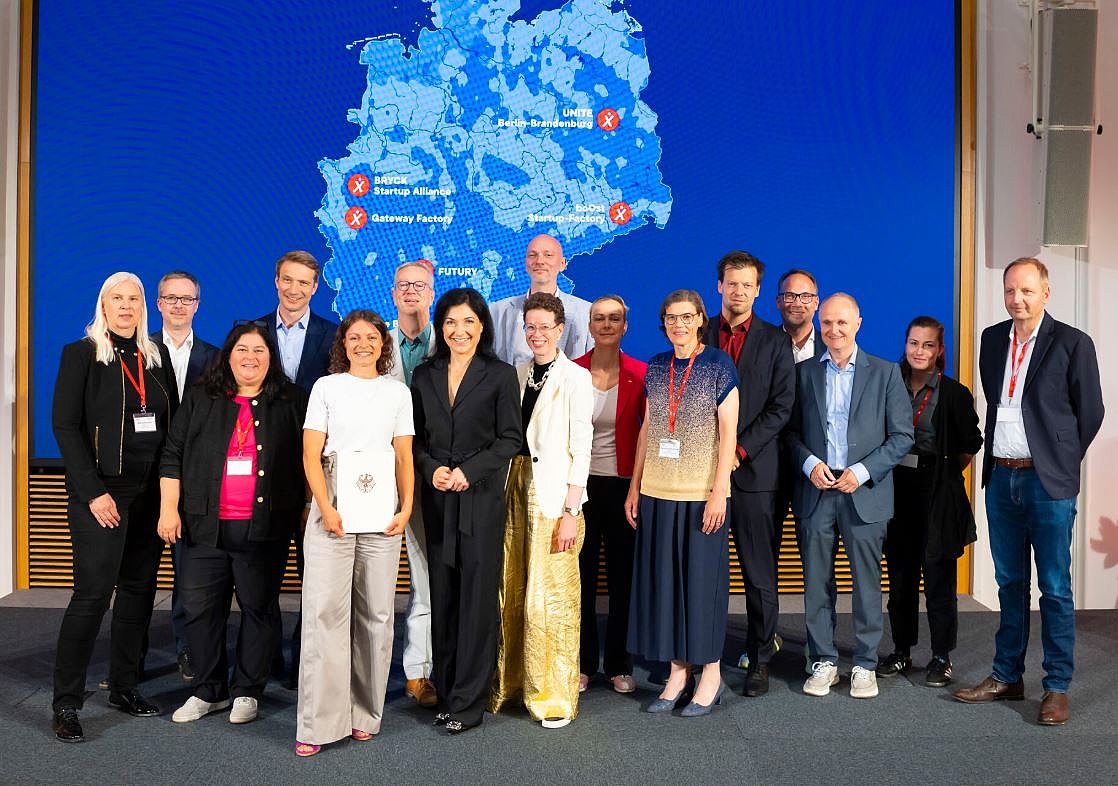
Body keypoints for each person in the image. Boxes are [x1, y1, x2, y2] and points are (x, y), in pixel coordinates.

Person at [953, 257, 1104, 726]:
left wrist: (1059, 461)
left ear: (1046, 293)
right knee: (1010, 584)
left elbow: (1091, 412)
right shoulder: (992, 339)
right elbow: (998, 404)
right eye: (1010, 291)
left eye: (1027, 291)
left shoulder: (1073, 343)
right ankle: (1006, 675)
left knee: (1055, 587)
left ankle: (1056, 686)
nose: (1017, 299)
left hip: (1047, 481)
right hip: (1001, 478)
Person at [157, 323, 307, 726]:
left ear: (270, 358)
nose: (250, 357)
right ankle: (208, 691)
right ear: (228, 354)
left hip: (265, 529)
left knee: (259, 609)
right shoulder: (202, 398)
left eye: (260, 350)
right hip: (204, 526)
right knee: (200, 610)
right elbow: (172, 453)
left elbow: (309, 460)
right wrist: (169, 509)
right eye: (242, 349)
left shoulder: (291, 400)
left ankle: (247, 690)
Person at [50, 272, 178, 743]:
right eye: (116, 298)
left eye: (134, 298)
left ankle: (124, 687)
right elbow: (64, 427)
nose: (126, 306)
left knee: (138, 594)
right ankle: (66, 703)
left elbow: (170, 428)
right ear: (102, 304)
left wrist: (169, 497)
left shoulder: (155, 356)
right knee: (91, 597)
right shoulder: (81, 355)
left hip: (148, 496)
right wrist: (92, 491)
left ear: (143, 306)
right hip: (102, 496)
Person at [295, 310, 415, 756]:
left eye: (371, 337)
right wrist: (326, 508)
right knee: (325, 614)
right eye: (354, 337)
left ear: (383, 344)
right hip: (334, 511)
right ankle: (319, 724)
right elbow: (310, 456)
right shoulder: (326, 388)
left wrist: (406, 509)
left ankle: (365, 713)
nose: (363, 344)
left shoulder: (398, 393)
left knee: (377, 618)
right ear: (342, 344)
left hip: (383, 515)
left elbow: (403, 457)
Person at [787, 293, 913, 700]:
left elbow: (901, 438)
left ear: (858, 323)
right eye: (827, 323)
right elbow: (787, 433)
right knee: (817, 583)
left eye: (842, 323)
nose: (834, 331)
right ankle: (823, 660)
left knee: (866, 583)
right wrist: (809, 464)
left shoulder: (886, 373)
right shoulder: (803, 373)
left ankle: (864, 663)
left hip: (865, 492)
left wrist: (861, 472)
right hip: (817, 492)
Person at [411, 288, 522, 734]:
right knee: (443, 598)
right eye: (451, 322)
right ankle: (447, 687)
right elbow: (413, 439)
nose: (459, 331)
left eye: (468, 322)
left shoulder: (500, 375)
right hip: (438, 500)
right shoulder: (423, 375)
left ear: (482, 327)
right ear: (441, 327)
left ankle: (469, 704)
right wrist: (430, 468)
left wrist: (469, 471)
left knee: (476, 601)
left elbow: (510, 439)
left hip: (480, 500)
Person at [625, 289, 739, 716]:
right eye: (671, 317)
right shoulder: (656, 367)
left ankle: (710, 672)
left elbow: (729, 434)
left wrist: (718, 492)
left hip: (700, 496)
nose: (678, 324)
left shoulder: (718, 366)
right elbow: (648, 429)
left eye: (686, 317)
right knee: (667, 586)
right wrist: (635, 486)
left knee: (701, 585)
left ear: (700, 319)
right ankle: (678, 672)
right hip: (657, 492)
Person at [490, 293, 593, 729]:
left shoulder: (575, 378)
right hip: (513, 492)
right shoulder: (516, 374)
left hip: (554, 500)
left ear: (561, 330)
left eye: (544, 327)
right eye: (529, 327)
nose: (536, 334)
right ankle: (512, 684)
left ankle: (553, 695)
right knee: (511, 592)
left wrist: (572, 509)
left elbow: (581, 448)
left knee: (549, 602)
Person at [701, 252, 794, 697]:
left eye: (747, 285)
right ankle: (700, 657)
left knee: (759, 575)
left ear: (758, 291)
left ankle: (760, 660)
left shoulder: (777, 342)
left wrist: (737, 451)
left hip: (755, 475)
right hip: (698, 476)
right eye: (731, 283)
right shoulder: (696, 332)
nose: (738, 291)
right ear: (719, 286)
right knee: (702, 571)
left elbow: (780, 409)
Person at [874, 316, 982, 687]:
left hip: (936, 492)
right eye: (913, 343)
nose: (919, 351)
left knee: (939, 581)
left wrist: (945, 471)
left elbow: (971, 443)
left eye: (928, 345)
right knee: (900, 578)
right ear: (905, 346)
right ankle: (901, 650)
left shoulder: (953, 393)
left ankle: (941, 656)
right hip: (895, 490)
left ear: (940, 351)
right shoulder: (889, 384)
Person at [256, 249, 337, 685]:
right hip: (261, 474)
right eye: (287, 280)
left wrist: (318, 488)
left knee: (315, 577)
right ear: (276, 281)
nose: (294, 289)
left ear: (314, 287)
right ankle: (263, 662)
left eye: (303, 282)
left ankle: (305, 664)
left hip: (313, 476)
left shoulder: (332, 335)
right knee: (262, 576)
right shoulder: (250, 332)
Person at [573, 295, 647, 695]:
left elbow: (649, 436)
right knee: (580, 579)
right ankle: (583, 664)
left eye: (614, 318)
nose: (606, 324)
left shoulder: (640, 372)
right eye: (599, 318)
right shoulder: (571, 372)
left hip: (623, 488)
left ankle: (619, 663)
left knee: (622, 579)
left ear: (624, 326)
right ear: (589, 324)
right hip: (580, 489)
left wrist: (635, 489)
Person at [153, 270, 220, 684]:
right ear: (158, 303)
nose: (178, 305)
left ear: (197, 304)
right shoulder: (138, 351)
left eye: (187, 299)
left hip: (191, 479)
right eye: (170, 298)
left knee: (186, 575)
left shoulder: (215, 359)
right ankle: (131, 659)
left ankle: (186, 650)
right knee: (137, 578)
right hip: (143, 479)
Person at [771, 268, 829, 677]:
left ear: (817, 302)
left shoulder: (836, 347)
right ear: (778, 302)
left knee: (816, 560)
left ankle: (819, 647)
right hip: (769, 467)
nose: (797, 302)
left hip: (816, 470)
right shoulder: (764, 344)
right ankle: (764, 639)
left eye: (805, 296)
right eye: (789, 296)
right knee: (763, 558)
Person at [387, 260, 438, 708]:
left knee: (427, 577)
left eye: (419, 286)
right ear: (393, 292)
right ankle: (366, 668)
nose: (411, 292)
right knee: (378, 580)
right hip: (384, 480)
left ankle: (421, 671)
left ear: (432, 292)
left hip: (438, 476)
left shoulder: (453, 340)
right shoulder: (373, 344)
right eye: (404, 285)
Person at [489, 234, 593, 366]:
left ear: (562, 264)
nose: (539, 261)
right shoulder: (497, 311)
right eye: (533, 255)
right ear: (526, 263)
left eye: (548, 255)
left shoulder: (587, 313)